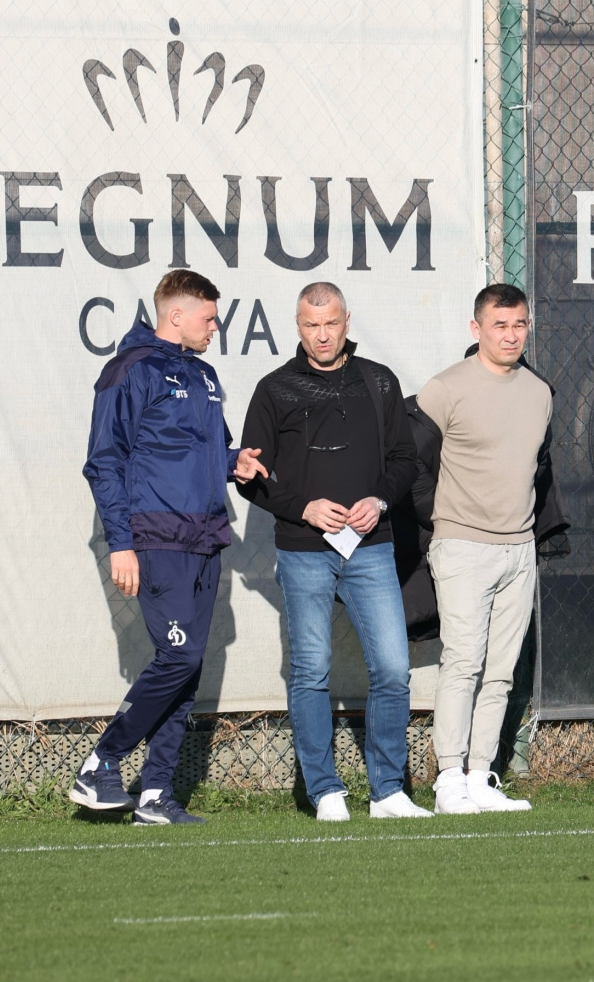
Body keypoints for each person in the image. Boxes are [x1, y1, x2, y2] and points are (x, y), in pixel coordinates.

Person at [74, 270, 267, 824]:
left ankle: (156, 793)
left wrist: (234, 463)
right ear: (175, 315)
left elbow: (202, 453)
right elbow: (104, 462)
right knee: (179, 656)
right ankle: (101, 763)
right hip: (156, 539)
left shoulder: (204, 375)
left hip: (205, 537)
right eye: (208, 318)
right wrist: (121, 544)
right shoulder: (129, 370)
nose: (215, 327)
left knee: (187, 667)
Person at [239, 282, 430, 820]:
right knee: (311, 670)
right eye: (311, 325)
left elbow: (405, 461)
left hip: (371, 547)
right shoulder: (274, 389)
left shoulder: (379, 381)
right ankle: (324, 791)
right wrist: (303, 508)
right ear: (297, 327)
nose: (322, 335)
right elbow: (250, 479)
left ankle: (388, 792)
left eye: (330, 323)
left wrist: (380, 500)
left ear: (347, 321)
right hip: (303, 551)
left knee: (392, 668)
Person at [415, 284, 552, 814]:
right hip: (461, 547)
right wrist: (440, 521)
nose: (511, 335)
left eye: (519, 324)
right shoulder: (444, 389)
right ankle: (448, 779)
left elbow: (536, 471)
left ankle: (479, 776)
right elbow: (410, 465)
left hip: (519, 549)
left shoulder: (539, 392)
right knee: (463, 662)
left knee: (501, 671)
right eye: (500, 325)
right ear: (476, 329)